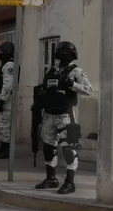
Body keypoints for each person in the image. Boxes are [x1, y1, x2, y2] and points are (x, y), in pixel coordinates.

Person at [34, 41, 92, 195]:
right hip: (48, 115)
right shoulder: (52, 70)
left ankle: (70, 182)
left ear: (73, 55)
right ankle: (51, 178)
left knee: (68, 148)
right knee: (48, 147)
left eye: (67, 53)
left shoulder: (77, 71)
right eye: (62, 52)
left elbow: (88, 90)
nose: (64, 55)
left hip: (66, 114)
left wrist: (71, 84)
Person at [0, 41, 15, 159]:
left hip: (7, 100)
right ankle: (3, 146)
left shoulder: (10, 65)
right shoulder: (5, 65)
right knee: (1, 125)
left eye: (2, 52)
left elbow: (8, 85)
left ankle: (8, 149)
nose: (0, 54)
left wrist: (3, 100)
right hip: (1, 96)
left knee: (5, 125)